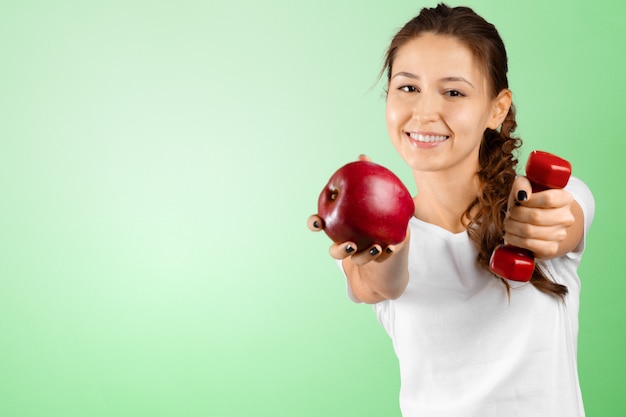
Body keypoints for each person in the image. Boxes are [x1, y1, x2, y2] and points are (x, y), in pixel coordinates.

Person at [308, 4, 595, 416]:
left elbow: (563, 218)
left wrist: (543, 223)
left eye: (454, 92)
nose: (424, 112)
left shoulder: (545, 195)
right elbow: (379, 284)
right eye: (408, 87)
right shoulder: (369, 241)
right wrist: (385, 243)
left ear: (497, 108)